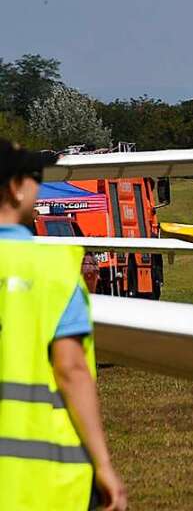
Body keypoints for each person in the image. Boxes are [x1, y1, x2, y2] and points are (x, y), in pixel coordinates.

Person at [0, 139, 127, 511]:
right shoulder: (53, 269)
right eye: (35, 176)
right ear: (15, 187)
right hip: (45, 480)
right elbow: (70, 369)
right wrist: (102, 464)